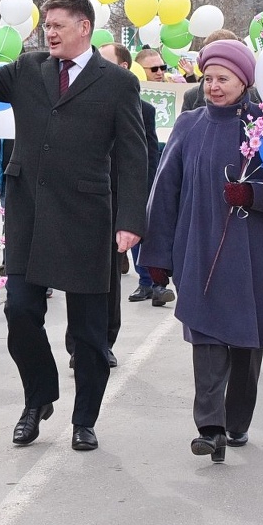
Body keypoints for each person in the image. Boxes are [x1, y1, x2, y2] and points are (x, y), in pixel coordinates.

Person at [0, 0, 148, 453]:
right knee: (19, 313)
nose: (50, 33)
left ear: (84, 27)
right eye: (47, 26)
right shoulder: (29, 68)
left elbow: (134, 159)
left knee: (89, 332)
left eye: (59, 25)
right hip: (30, 217)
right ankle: (38, 399)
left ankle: (85, 420)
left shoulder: (117, 83)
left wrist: (131, 219)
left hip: (85, 220)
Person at [140, 39, 263, 461]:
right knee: (207, 338)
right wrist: (157, 256)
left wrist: (253, 194)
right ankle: (209, 428)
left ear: (244, 81)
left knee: (248, 345)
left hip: (253, 253)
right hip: (200, 247)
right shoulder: (189, 125)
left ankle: (236, 422)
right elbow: (165, 193)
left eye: (224, 79)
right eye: (209, 78)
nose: (214, 87)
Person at [100, 42, 164, 319]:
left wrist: (146, 188)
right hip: (96, 194)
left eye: (104, 62)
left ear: (123, 67)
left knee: (139, 235)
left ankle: (153, 282)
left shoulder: (144, 109)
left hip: (128, 190)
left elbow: (146, 152)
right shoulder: (85, 102)